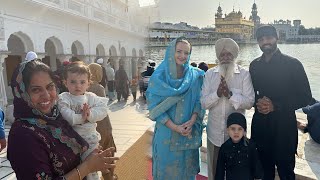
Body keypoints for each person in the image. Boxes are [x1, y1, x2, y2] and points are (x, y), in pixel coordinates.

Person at [7, 59, 118, 179]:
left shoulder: (56, 117)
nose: (46, 95)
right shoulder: (22, 135)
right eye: (36, 89)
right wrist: (87, 167)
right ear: (21, 93)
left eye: (50, 87)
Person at [249, 25, 313, 179]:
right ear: (258, 42)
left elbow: (306, 97)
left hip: (283, 128)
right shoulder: (254, 65)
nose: (266, 42)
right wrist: (257, 103)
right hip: (261, 127)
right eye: (261, 39)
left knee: (286, 171)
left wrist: (275, 105)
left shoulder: (292, 64)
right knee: (265, 172)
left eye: (269, 37)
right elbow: (251, 94)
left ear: (276, 38)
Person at [146, 37, 205, 179]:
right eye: (179, 51)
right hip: (166, 134)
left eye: (186, 53)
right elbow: (154, 107)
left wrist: (192, 120)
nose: (182, 56)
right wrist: (175, 128)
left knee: (186, 173)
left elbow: (199, 101)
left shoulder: (195, 75)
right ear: (171, 51)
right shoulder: (159, 77)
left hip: (188, 133)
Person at [200, 38, 255, 180]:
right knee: (214, 172)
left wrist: (230, 95)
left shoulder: (244, 74)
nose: (225, 58)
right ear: (218, 57)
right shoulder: (210, 74)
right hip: (214, 135)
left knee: (237, 173)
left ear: (234, 56)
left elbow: (249, 102)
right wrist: (217, 94)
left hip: (236, 136)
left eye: (229, 54)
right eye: (222, 55)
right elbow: (204, 103)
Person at [58, 61, 110, 180]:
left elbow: (103, 110)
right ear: (65, 83)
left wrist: (90, 114)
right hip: (70, 140)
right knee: (74, 168)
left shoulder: (91, 97)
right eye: (73, 82)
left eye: (82, 82)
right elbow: (67, 115)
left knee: (92, 167)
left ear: (88, 83)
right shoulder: (64, 98)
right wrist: (82, 117)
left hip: (90, 139)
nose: (78, 86)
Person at [87, 63, 117, 180]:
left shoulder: (85, 87)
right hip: (103, 125)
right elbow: (103, 111)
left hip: (91, 127)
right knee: (108, 152)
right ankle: (109, 176)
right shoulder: (98, 88)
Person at [215, 112, 263, 180]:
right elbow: (220, 169)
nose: (236, 132)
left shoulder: (250, 146)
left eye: (240, 129)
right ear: (227, 130)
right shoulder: (224, 147)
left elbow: (256, 164)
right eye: (233, 129)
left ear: (244, 131)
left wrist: (258, 177)